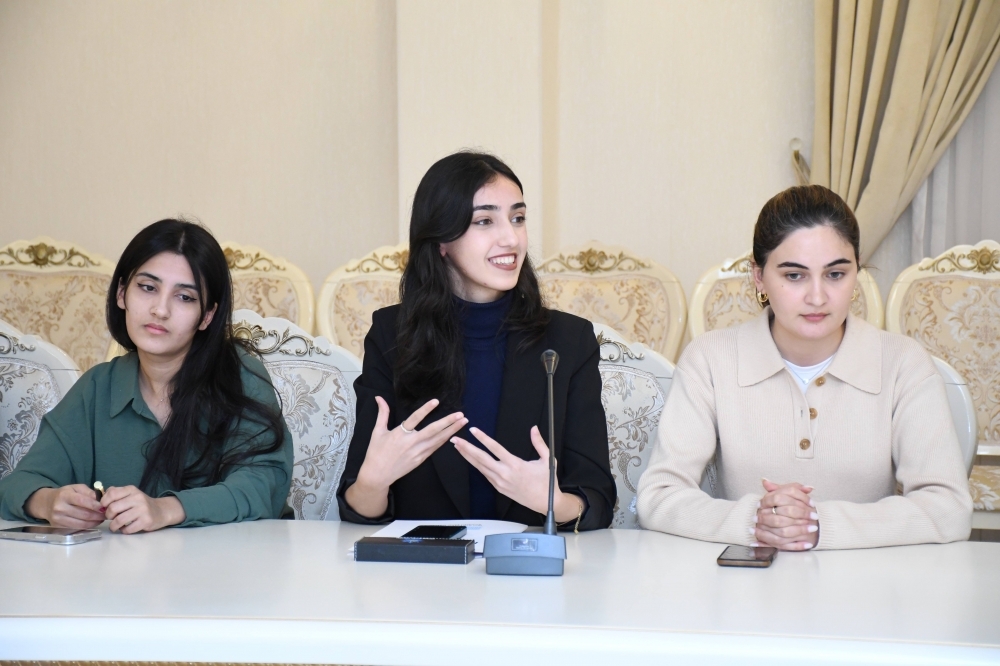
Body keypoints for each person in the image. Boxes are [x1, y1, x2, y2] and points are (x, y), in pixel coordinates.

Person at [636, 185, 972, 550]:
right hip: (743, 579)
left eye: (835, 274)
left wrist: (819, 525)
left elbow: (949, 508)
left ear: (856, 272)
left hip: (869, 578)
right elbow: (659, 497)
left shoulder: (903, 362)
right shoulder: (710, 359)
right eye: (794, 275)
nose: (817, 297)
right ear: (759, 277)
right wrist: (755, 522)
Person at [337, 152, 615, 530]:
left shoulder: (568, 341)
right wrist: (374, 481)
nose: (511, 238)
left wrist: (554, 503)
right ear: (441, 240)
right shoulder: (392, 334)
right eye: (485, 221)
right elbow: (357, 507)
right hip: (422, 564)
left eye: (518, 218)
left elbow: (598, 500)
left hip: (526, 562)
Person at [0, 219, 293, 532]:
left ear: (207, 316)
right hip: (124, 562)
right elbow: (18, 484)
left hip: (231, 561)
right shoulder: (98, 386)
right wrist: (48, 502)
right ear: (122, 293)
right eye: (148, 288)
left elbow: (262, 487)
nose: (160, 310)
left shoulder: (240, 375)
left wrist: (165, 509)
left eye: (185, 297)